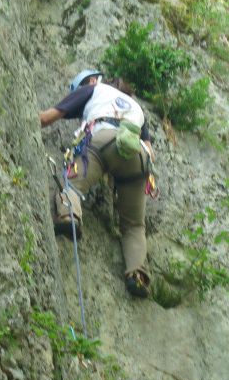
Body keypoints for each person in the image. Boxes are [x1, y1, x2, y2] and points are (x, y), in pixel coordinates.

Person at [39, 69, 154, 298]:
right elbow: (150, 150)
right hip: (139, 157)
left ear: (91, 81)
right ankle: (137, 275)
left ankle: (69, 217)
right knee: (134, 225)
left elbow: (46, 118)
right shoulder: (136, 107)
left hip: (102, 140)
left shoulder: (92, 89)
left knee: (70, 185)